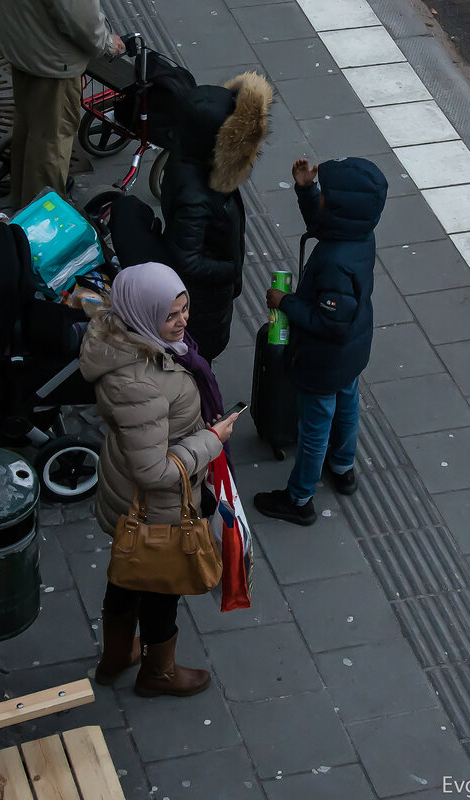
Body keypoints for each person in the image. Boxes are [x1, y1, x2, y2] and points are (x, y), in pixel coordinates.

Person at [78, 262, 239, 696]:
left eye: (184, 308)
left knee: (127, 573)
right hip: (154, 506)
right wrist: (210, 440)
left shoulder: (140, 341)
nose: (183, 321)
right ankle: (159, 674)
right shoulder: (139, 382)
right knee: (161, 585)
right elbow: (153, 471)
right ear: (144, 314)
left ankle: (116, 657)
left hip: (126, 494)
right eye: (172, 315)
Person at [253, 157, 388, 526]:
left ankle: (299, 499)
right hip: (352, 351)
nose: (322, 198)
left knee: (314, 428)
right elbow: (324, 222)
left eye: (326, 194)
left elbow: (328, 324)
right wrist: (306, 189)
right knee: (347, 403)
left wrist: (286, 302)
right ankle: (343, 467)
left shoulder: (335, 262)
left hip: (324, 357)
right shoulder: (359, 233)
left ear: (343, 208)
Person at [156, 72, 272, 362]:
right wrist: (228, 270)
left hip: (205, 296)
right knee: (197, 357)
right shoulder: (196, 195)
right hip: (202, 301)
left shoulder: (191, 160)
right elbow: (187, 258)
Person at [0, 0, 124, 209]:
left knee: (28, 124)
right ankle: (40, 218)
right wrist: (107, 42)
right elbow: (79, 15)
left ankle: (21, 196)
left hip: (22, 36)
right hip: (52, 57)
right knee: (51, 141)